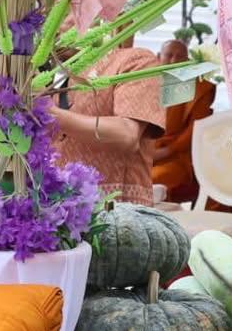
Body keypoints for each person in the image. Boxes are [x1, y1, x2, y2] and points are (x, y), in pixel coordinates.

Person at [50, 42, 167, 205]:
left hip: (117, 214)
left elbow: (127, 134)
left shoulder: (137, 60)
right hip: (54, 210)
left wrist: (50, 114)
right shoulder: (44, 72)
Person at [151, 39, 218, 206]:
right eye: (169, 55)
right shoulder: (144, 84)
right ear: (158, 57)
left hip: (175, 157)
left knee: (152, 179)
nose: (173, 61)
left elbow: (196, 129)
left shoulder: (198, 89)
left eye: (180, 57)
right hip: (141, 155)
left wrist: (167, 151)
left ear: (187, 62)